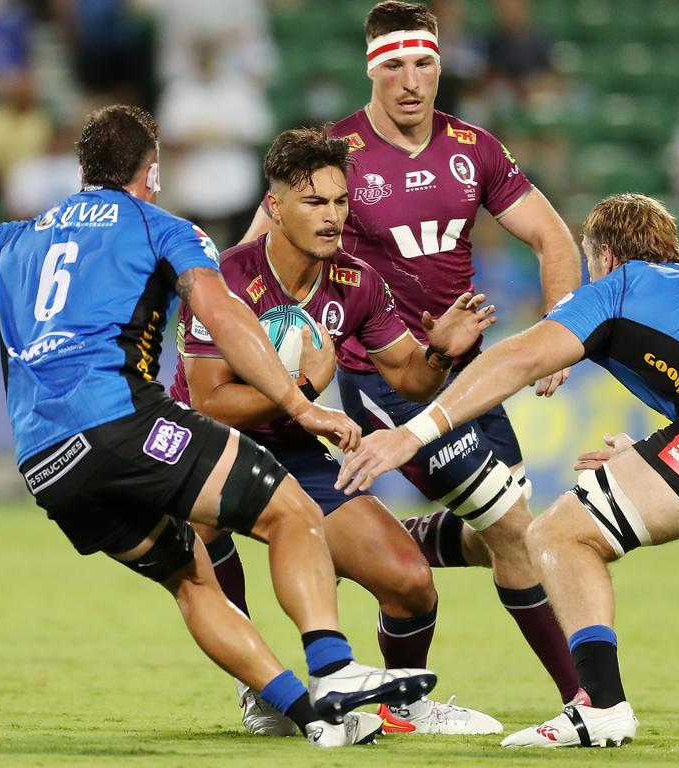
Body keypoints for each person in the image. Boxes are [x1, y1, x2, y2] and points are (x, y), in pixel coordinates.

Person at [0, 104, 439, 748]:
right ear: (151, 171)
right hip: (121, 420)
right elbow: (225, 318)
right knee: (292, 510)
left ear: (84, 168)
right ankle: (333, 670)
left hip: (45, 462)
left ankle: (308, 717)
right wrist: (300, 402)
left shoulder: (15, 237)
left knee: (191, 579)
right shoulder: (159, 228)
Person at [336, 193, 679, 748]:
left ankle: (600, 707)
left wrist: (411, 433)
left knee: (559, 534)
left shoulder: (618, 288)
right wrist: (657, 450)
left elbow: (517, 359)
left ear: (606, 255)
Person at [238, 0, 586, 716]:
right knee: (520, 532)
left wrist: (559, 332)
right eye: (394, 64)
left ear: (439, 63)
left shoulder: (474, 147)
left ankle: (384, 547)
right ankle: (583, 698)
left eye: (423, 62)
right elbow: (255, 258)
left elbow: (554, 239)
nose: (410, 80)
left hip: (471, 377)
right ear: (371, 67)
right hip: (384, 377)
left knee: (507, 540)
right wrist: (270, 344)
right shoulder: (334, 156)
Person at [174, 126, 502, 736]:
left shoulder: (356, 281)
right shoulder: (222, 281)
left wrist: (440, 353)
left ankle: (404, 708)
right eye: (314, 202)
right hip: (202, 444)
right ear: (274, 207)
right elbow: (210, 403)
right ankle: (262, 691)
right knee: (197, 528)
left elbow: (409, 378)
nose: (332, 217)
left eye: (340, 201)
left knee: (409, 580)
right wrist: (300, 391)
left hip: (293, 445)